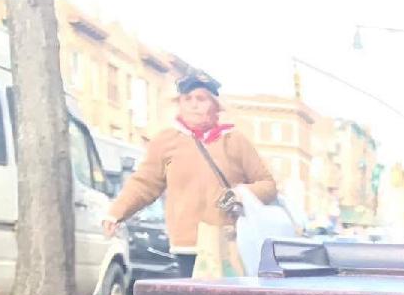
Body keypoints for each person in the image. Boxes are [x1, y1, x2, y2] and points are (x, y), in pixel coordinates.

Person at [103, 72, 277, 277]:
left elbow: (268, 186)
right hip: (187, 247)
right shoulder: (166, 141)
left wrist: (241, 193)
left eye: (201, 99)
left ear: (215, 105)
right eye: (187, 99)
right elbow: (144, 183)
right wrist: (116, 212)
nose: (193, 105)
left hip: (229, 244)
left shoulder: (235, 141)